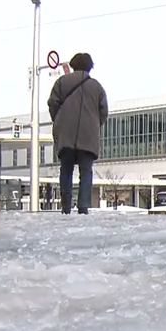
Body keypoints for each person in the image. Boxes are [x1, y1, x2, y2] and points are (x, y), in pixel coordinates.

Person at [47, 53, 108, 215]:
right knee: (86, 171)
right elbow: (104, 111)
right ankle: (83, 206)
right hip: (88, 136)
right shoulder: (97, 87)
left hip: (65, 133)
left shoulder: (61, 82)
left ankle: (66, 206)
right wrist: (94, 125)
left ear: (73, 65)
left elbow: (52, 103)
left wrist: (59, 121)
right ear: (90, 66)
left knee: (65, 169)